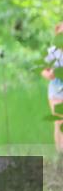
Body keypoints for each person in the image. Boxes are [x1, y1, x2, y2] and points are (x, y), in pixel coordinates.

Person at [41, 21, 63, 152]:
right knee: (59, 120)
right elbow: (43, 70)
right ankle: (60, 152)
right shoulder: (52, 52)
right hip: (56, 91)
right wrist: (49, 75)